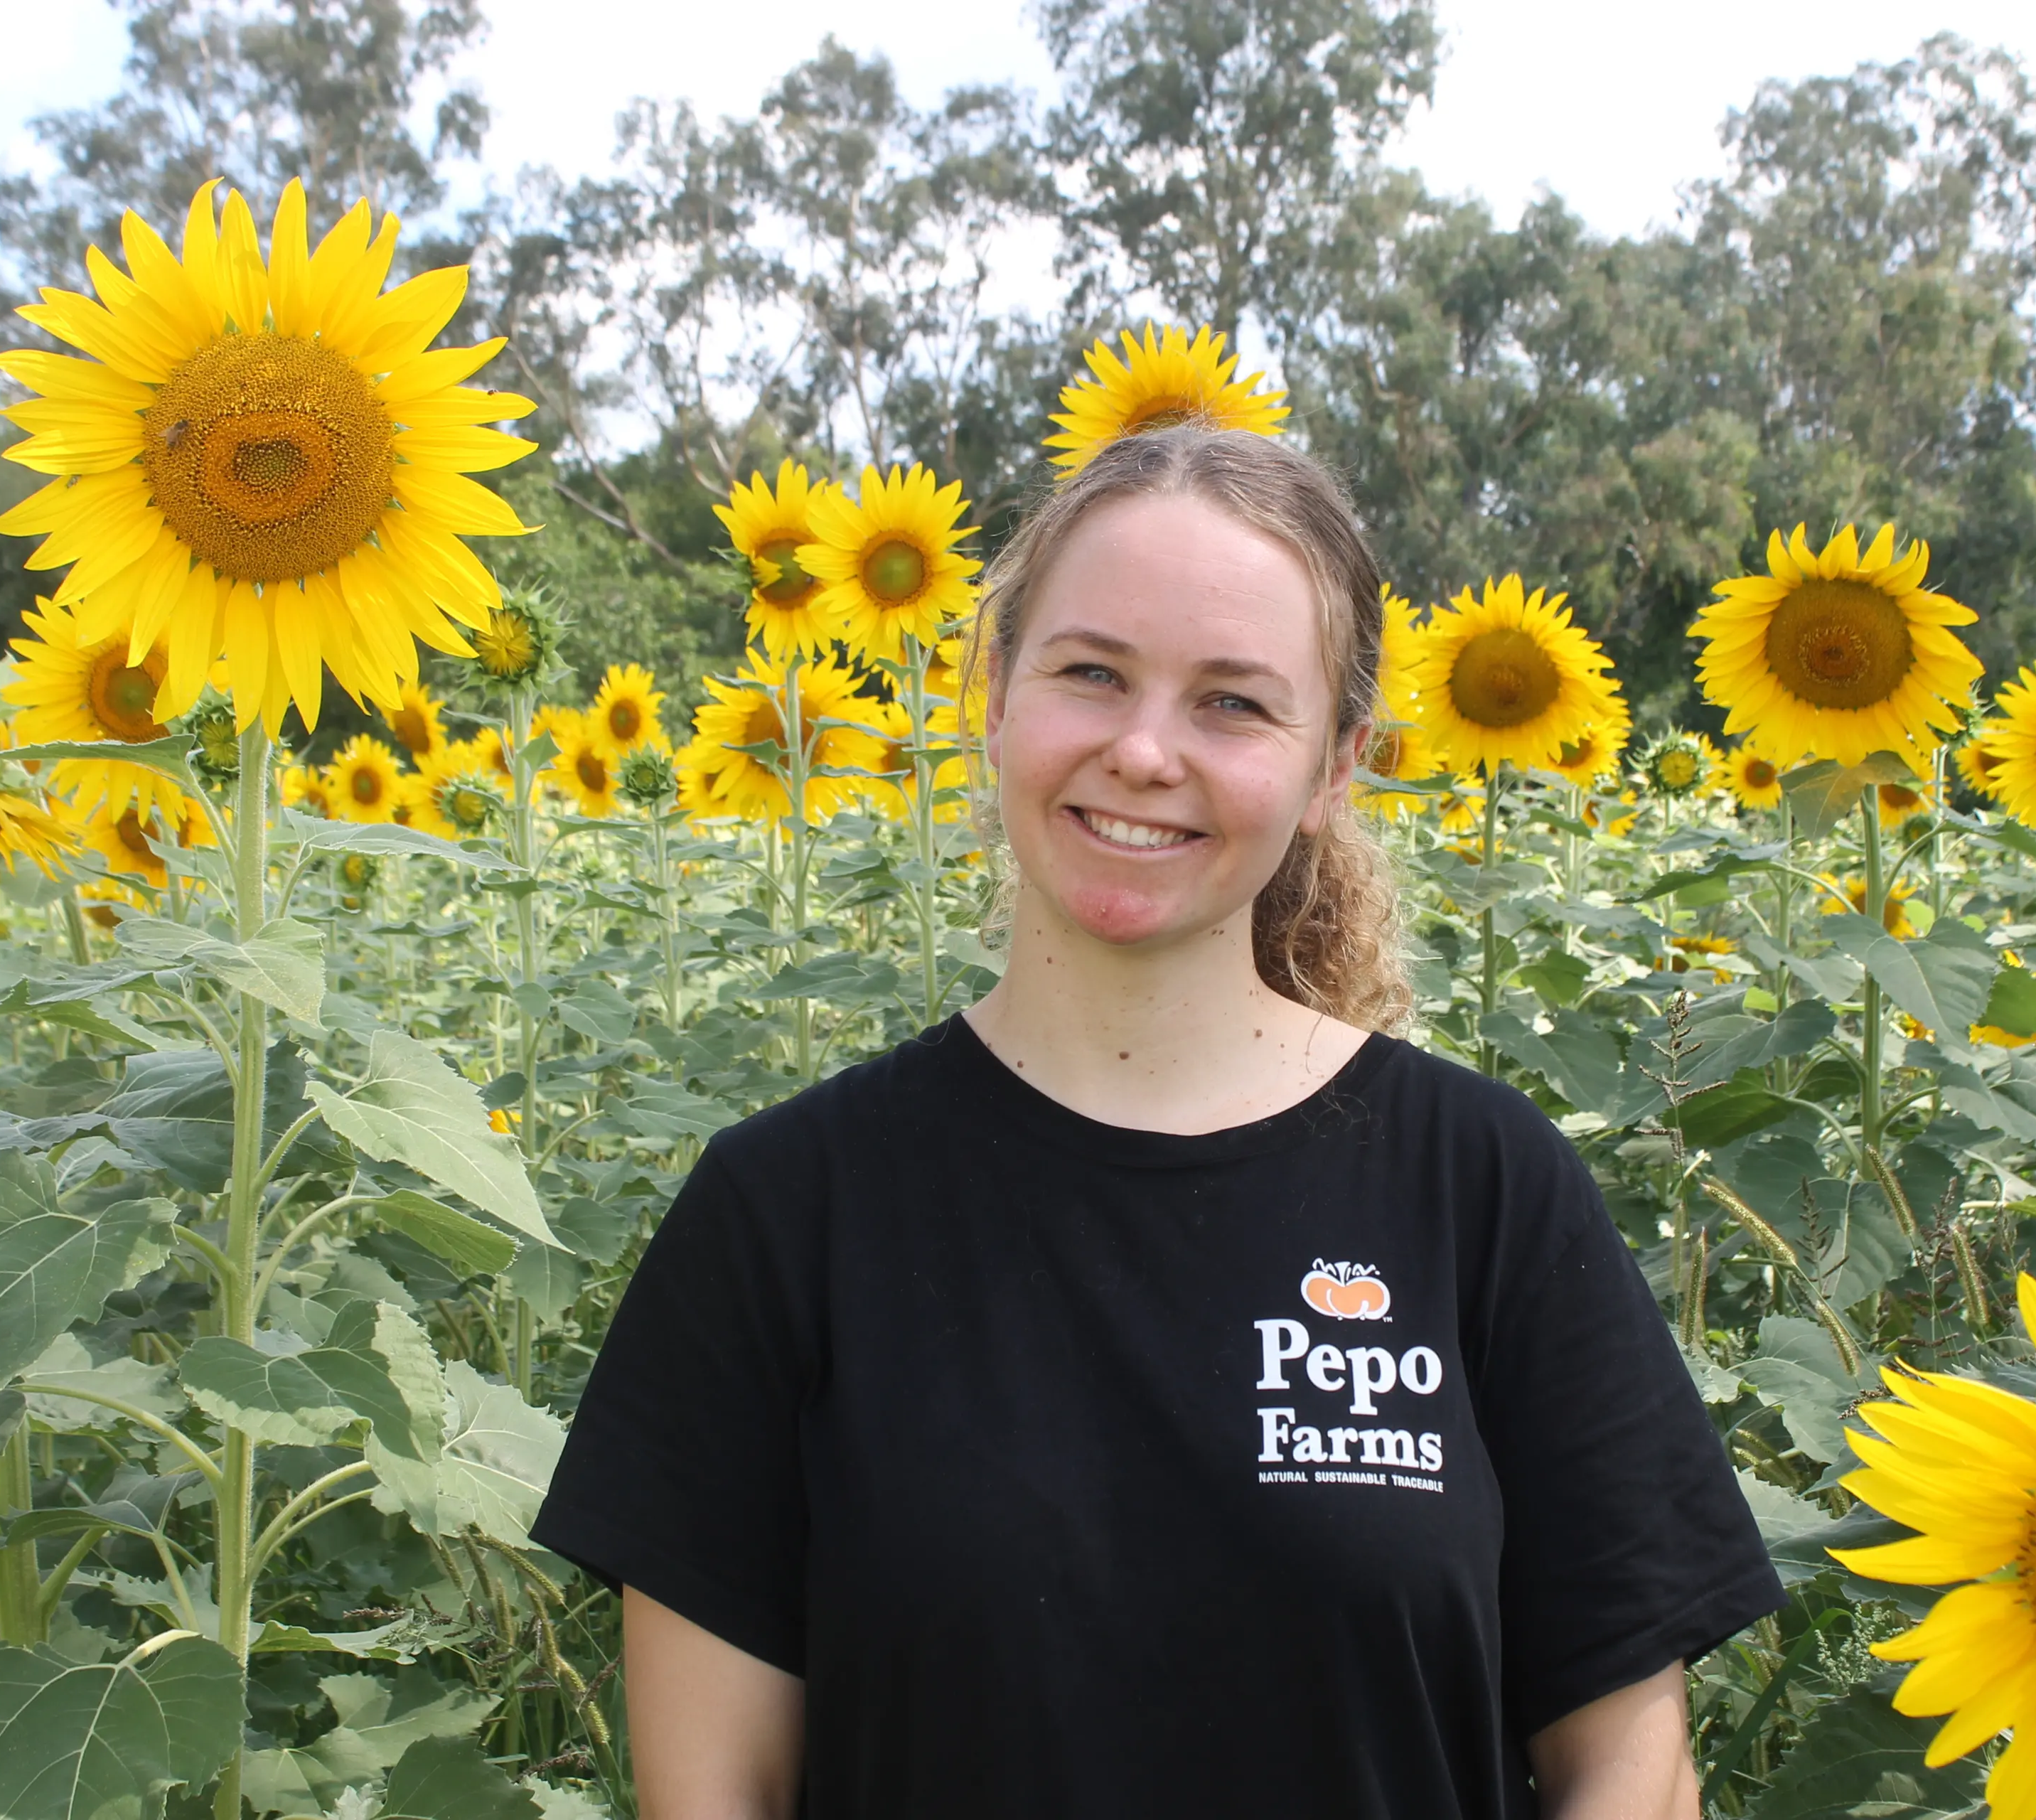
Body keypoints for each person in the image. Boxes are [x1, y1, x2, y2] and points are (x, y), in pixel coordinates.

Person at [528, 426, 1785, 1819]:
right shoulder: (783, 1214)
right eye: (1091, 672)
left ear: (1335, 767)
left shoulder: (1482, 1188)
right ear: (996, 694)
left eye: (1234, 703)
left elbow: (1632, 1768)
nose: (1141, 750)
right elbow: (716, 1797)